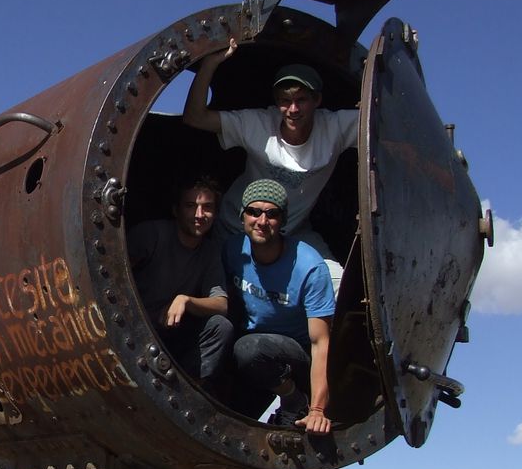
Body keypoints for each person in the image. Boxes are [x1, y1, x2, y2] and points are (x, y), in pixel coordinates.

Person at [182, 38, 358, 292]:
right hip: (235, 226)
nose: (293, 109)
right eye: (285, 101)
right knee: (224, 290)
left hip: (293, 229)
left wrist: (401, 65)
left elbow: (387, 120)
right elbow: (195, 117)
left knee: (336, 284)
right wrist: (210, 65)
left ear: (317, 100)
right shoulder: (258, 124)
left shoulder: (336, 128)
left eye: (302, 100)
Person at [223, 179, 334, 435]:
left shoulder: (310, 268)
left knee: (249, 349)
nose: (262, 221)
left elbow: (321, 343)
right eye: (254, 212)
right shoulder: (232, 250)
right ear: (242, 216)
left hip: (294, 353)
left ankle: (295, 399)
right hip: (252, 348)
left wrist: (318, 409)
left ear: (283, 220)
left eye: (271, 214)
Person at [128, 177, 234, 387]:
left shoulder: (210, 252)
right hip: (134, 332)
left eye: (207, 207)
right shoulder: (152, 235)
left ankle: (190, 389)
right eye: (190, 206)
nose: (199, 215)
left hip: (172, 335)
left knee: (220, 327)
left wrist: (186, 300)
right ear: (176, 210)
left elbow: (221, 305)